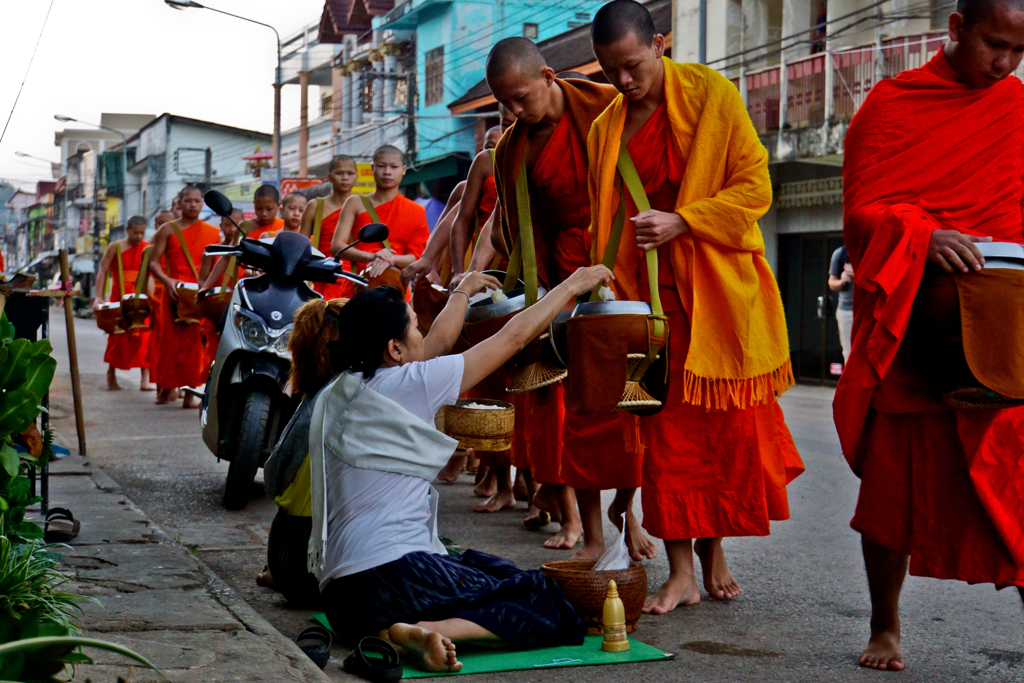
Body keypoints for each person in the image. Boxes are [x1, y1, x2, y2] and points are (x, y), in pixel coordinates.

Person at [588, 0, 804, 612]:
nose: (624, 82)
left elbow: (754, 187)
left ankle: (713, 550)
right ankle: (680, 569)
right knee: (659, 438)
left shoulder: (712, 96)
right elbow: (603, 224)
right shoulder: (607, 128)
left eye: (631, 66)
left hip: (717, 306)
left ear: (659, 43)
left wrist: (685, 220)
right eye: (610, 73)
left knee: (724, 436)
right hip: (644, 313)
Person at [835, 0, 1024, 671]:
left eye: (1018, 52)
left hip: (1002, 326)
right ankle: (885, 625)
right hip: (916, 329)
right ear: (956, 29)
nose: (1003, 64)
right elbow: (860, 213)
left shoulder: (1015, 109)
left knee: (1019, 486)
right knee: (892, 491)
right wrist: (921, 233)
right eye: (993, 44)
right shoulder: (890, 106)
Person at [313, 264, 612, 671]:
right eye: (415, 327)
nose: (423, 334)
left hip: (343, 601)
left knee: (490, 567)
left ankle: (393, 633)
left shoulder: (341, 390)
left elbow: (436, 343)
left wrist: (463, 291)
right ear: (394, 349)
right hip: (396, 576)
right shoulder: (413, 383)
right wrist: (573, 285)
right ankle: (435, 629)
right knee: (543, 600)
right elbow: (515, 336)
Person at [486, 37, 646, 555]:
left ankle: (630, 512)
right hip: (562, 285)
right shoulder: (513, 146)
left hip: (625, 269)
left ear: (550, 77)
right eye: (504, 103)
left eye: (522, 98)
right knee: (581, 409)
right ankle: (591, 530)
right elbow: (511, 229)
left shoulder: (605, 107)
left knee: (636, 401)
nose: (515, 112)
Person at [260, 297, 346, 606]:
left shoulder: (312, 398)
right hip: (313, 571)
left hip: (285, 561)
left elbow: (273, 479)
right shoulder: (347, 396)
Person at [148, 185, 222, 408]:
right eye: (188, 201)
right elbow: (153, 262)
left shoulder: (212, 233)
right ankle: (165, 388)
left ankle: (190, 393)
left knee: (195, 346)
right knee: (169, 344)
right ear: (179, 203)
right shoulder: (167, 230)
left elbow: (216, 265)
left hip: (198, 294)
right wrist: (167, 280)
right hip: (173, 293)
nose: (193, 205)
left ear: (203, 204)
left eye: (197, 201)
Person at [330, 146, 430, 297]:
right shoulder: (355, 203)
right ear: (372, 168)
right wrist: (373, 256)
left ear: (403, 170)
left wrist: (390, 259)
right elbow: (337, 246)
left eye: (394, 167)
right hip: (358, 285)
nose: (387, 172)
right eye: (381, 166)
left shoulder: (416, 211)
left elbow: (417, 258)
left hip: (396, 290)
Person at [92, 216, 154, 392]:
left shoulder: (147, 248)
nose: (138, 236)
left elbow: (149, 275)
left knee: (144, 336)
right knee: (117, 337)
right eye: (135, 232)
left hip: (141, 296)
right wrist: (98, 297)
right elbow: (103, 271)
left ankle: (145, 379)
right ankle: (111, 375)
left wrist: (152, 299)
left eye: (142, 232)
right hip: (119, 296)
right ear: (127, 230)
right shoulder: (115, 247)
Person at [302, 155, 358, 299]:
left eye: (350, 173)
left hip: (353, 276)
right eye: (339, 173)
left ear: (356, 177)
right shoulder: (316, 206)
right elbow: (301, 245)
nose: (345, 178)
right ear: (329, 177)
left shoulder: (363, 206)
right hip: (321, 275)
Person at [828, 244, 854, 363]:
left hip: (869, 309)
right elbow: (832, 282)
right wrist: (842, 281)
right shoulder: (840, 253)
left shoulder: (874, 250)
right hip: (847, 310)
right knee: (848, 352)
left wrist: (857, 273)